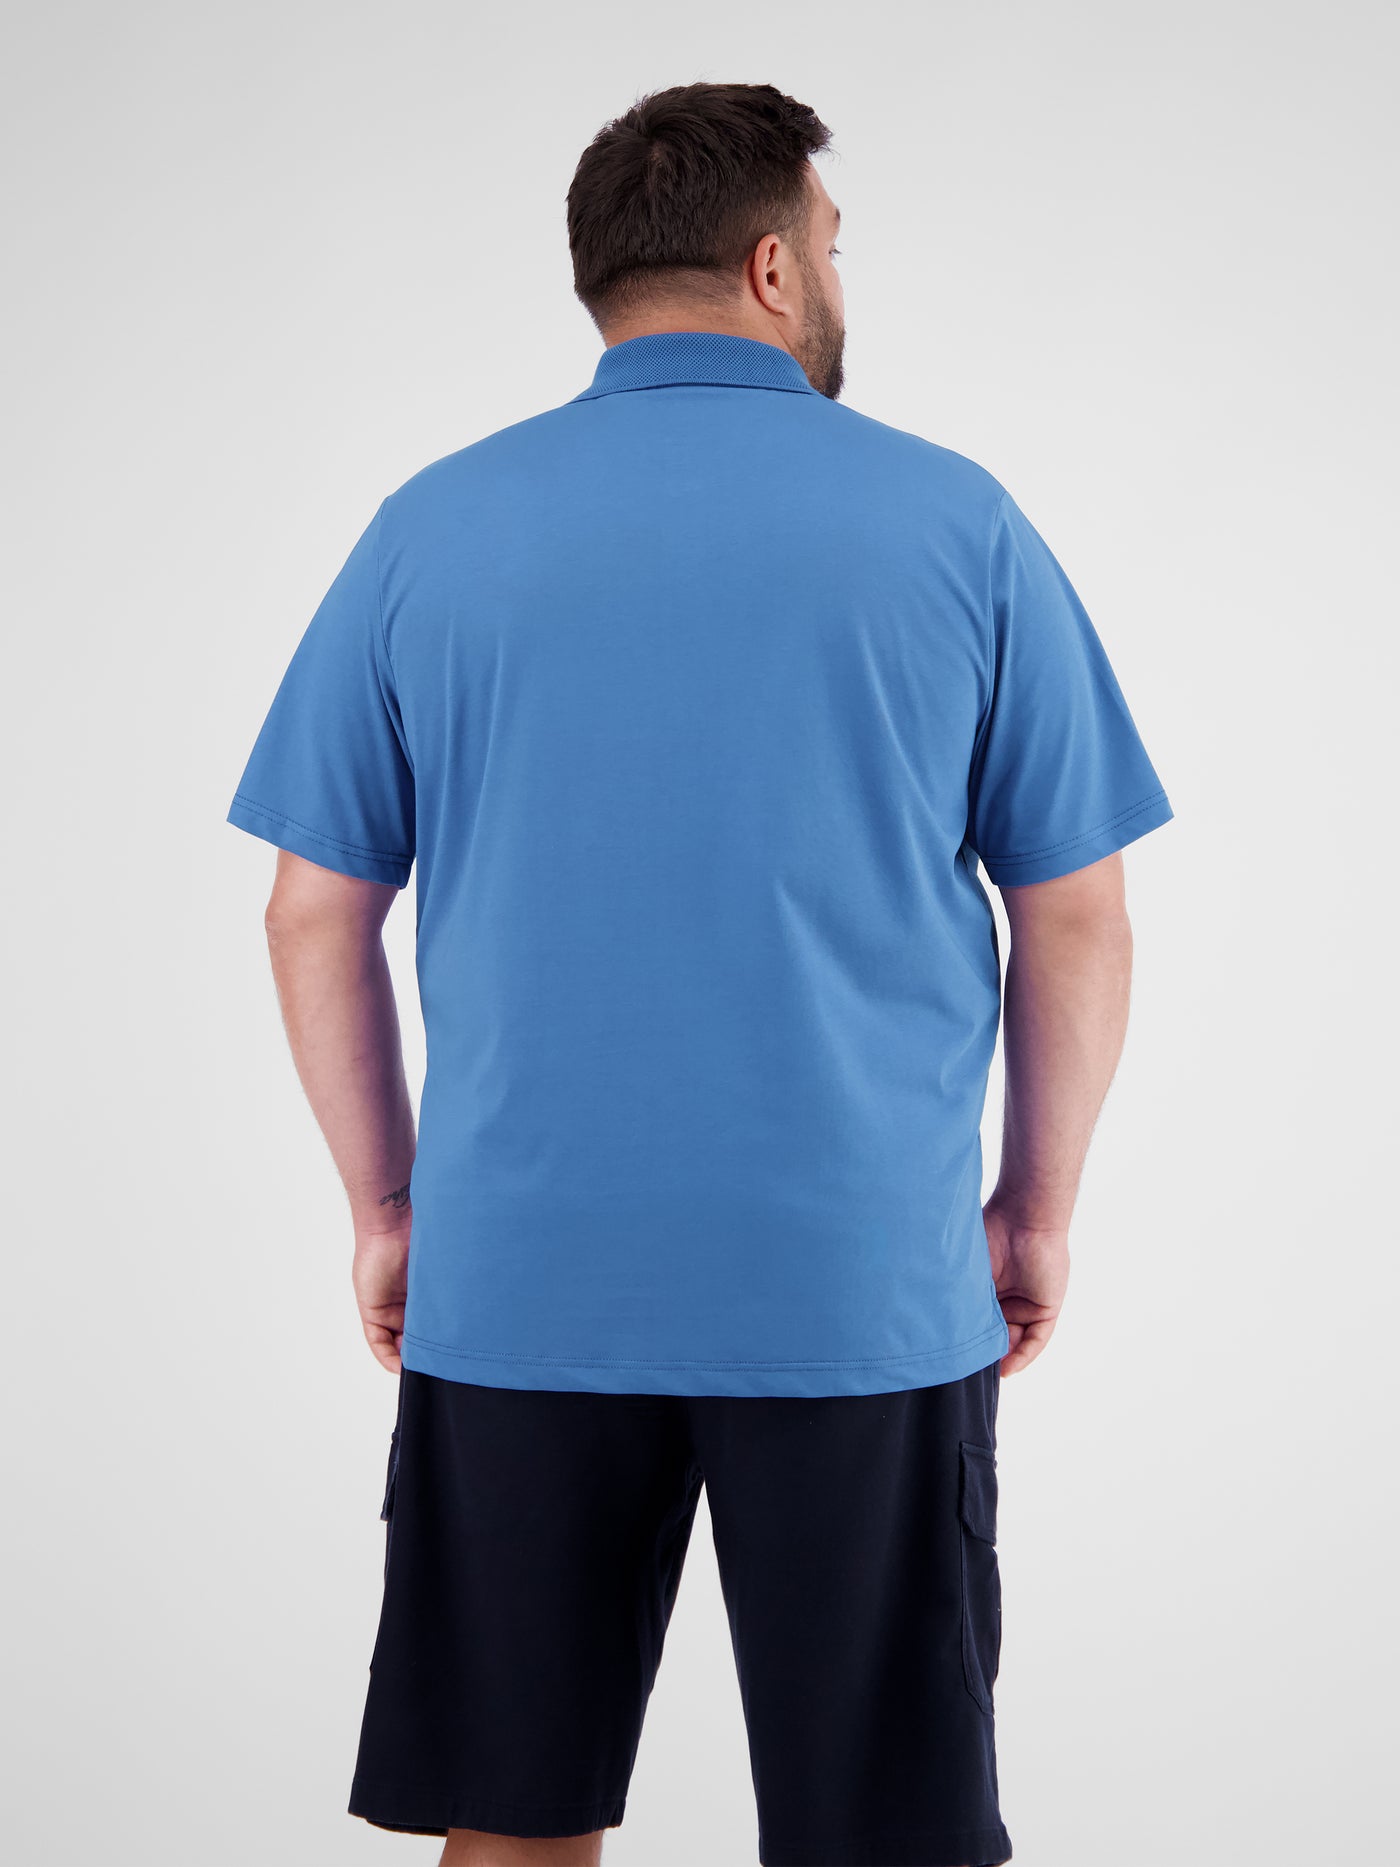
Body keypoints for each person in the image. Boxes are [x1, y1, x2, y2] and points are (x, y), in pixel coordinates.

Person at [226, 81, 1173, 1867]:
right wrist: (1035, 1210)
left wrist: (392, 1210)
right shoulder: (957, 523)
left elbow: (307, 910)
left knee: (513, 1822)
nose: (837, 279)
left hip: (521, 1281)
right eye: (834, 245)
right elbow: (1076, 910)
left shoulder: (431, 527)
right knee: (885, 1836)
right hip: (859, 1286)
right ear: (772, 266)